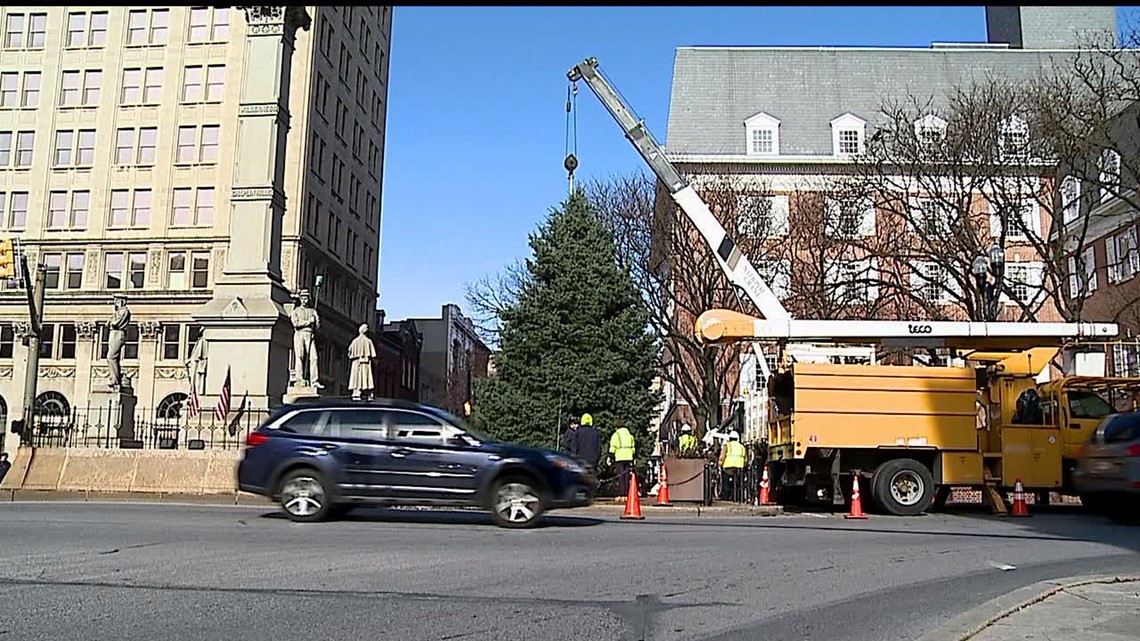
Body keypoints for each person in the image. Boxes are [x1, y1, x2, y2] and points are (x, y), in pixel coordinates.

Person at [609, 418, 636, 500]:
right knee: (626, 476)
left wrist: (610, 456)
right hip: (629, 457)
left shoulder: (616, 435)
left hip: (620, 457)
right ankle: (626, 494)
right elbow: (633, 447)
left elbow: (613, 447)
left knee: (620, 476)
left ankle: (621, 495)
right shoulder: (629, 435)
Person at [719, 430, 746, 500]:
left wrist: (720, 464)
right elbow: (745, 458)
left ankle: (726, 496)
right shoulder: (742, 447)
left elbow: (722, 455)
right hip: (739, 467)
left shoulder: (727, 445)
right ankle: (739, 496)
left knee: (726, 482)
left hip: (728, 467)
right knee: (738, 483)